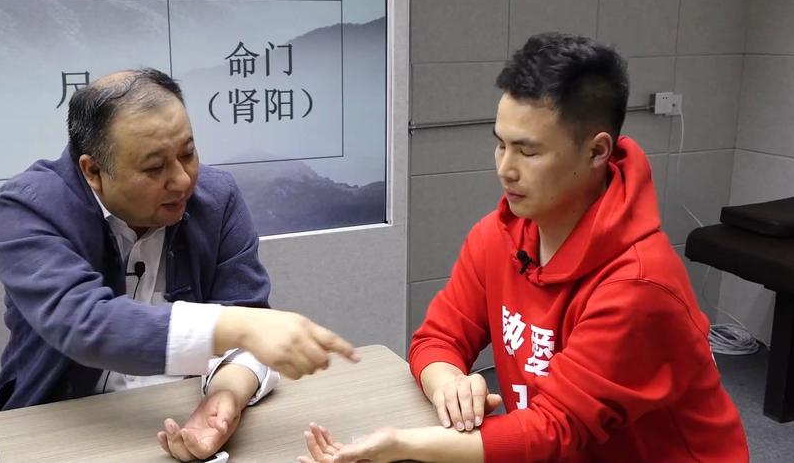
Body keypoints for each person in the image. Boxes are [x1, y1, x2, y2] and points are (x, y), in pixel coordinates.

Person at [300, 33, 748, 462]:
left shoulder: (637, 284)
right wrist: (448, 383)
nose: (505, 169)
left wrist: (403, 445)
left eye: (527, 152)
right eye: (500, 145)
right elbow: (438, 338)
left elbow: (553, 430)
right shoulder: (497, 237)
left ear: (597, 152)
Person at [0, 68, 359, 462]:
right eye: (154, 168)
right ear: (93, 171)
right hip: (58, 430)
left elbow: (247, 319)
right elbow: (84, 323)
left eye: (188, 154)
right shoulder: (29, 207)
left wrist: (227, 395)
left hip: (177, 420)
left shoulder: (217, 199)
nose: (182, 181)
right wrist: (238, 326)